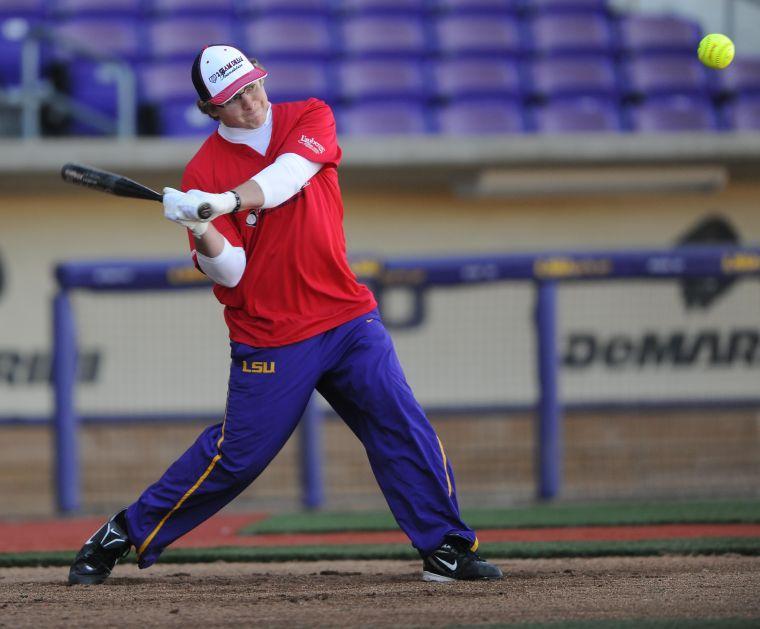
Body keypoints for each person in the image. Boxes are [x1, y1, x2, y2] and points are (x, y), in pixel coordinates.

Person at [68, 45, 502, 585]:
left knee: (400, 422)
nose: (251, 101)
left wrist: (222, 203)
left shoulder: (308, 116)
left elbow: (289, 176)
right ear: (211, 109)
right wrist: (200, 225)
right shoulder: (203, 169)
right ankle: (121, 532)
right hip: (271, 336)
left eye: (252, 86)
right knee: (237, 460)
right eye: (234, 97)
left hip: (346, 317)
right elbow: (229, 272)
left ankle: (447, 548)